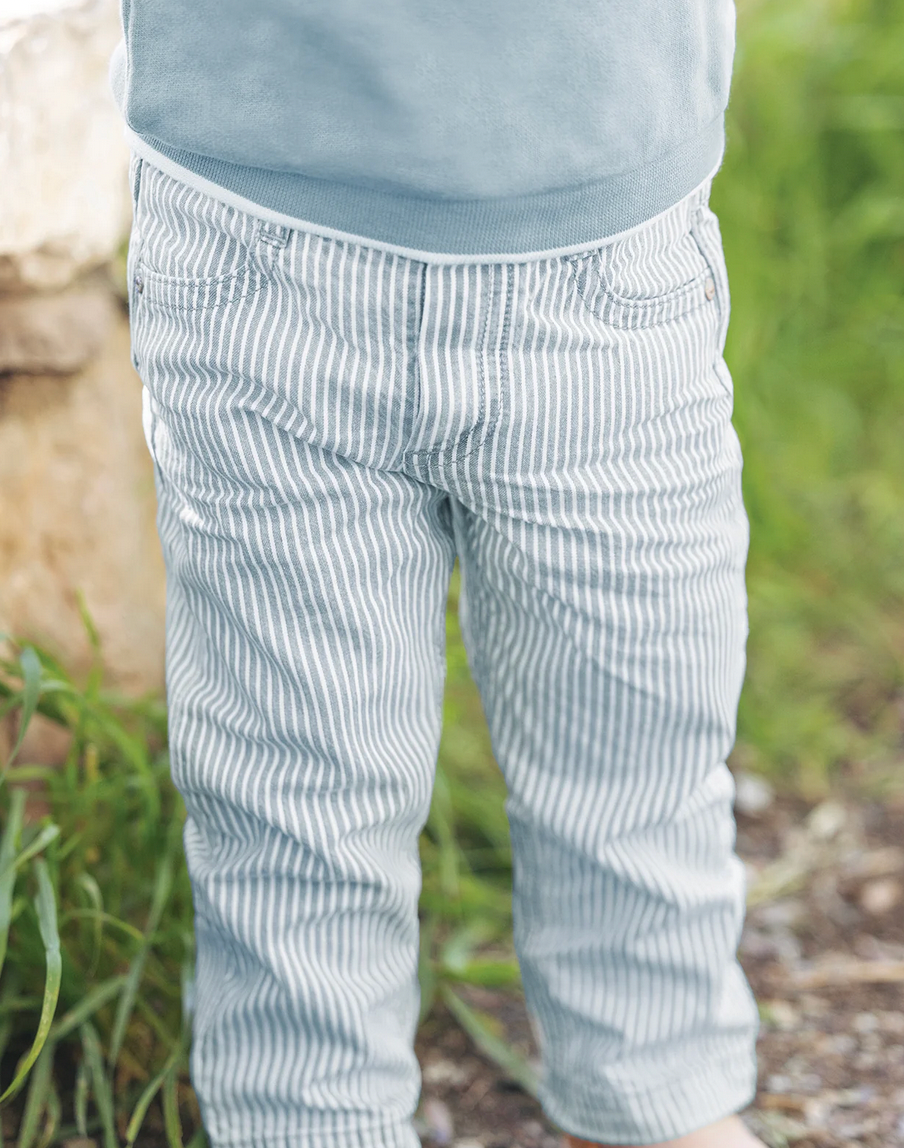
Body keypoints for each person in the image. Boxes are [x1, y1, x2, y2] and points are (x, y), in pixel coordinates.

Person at [109, 2, 766, 1146]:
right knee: (296, 784)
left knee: (635, 739)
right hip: (264, 234)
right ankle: (305, 1121)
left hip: (604, 242)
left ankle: (659, 1093)